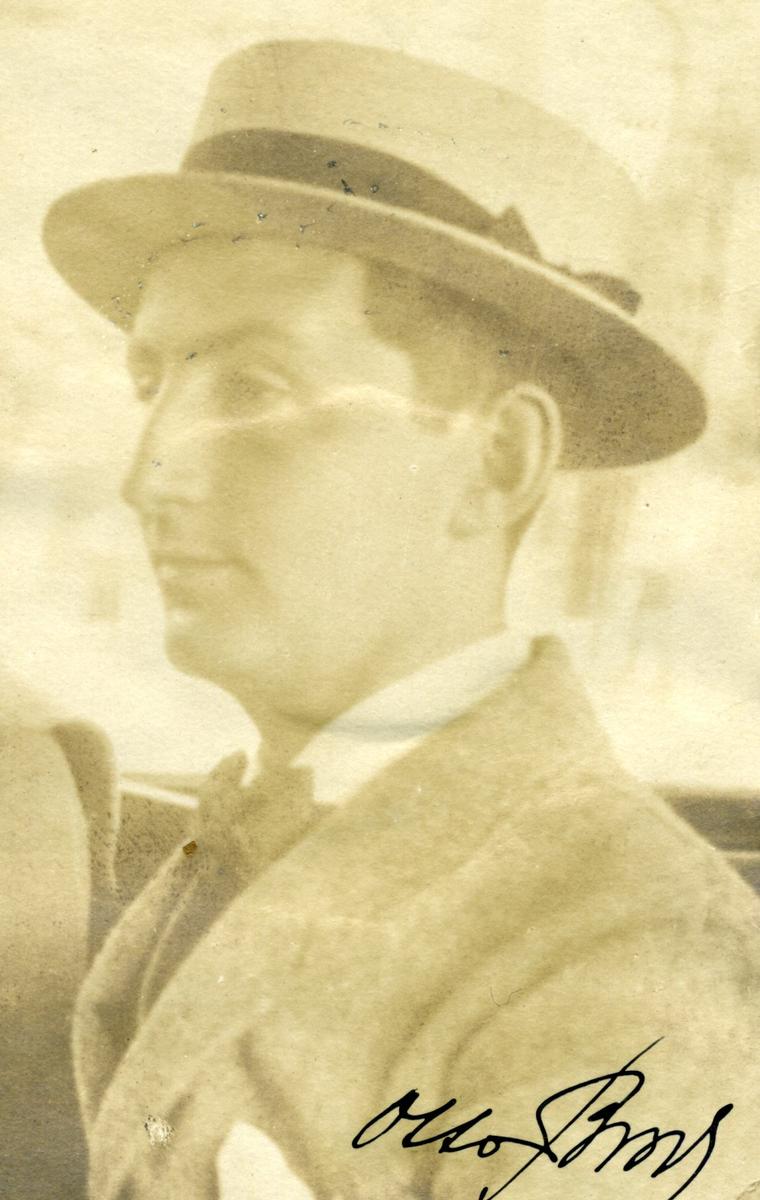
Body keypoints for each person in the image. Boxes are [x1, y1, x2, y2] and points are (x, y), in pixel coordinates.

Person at [42, 39, 760, 1200]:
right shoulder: (217, 858)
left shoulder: (637, 962)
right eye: (152, 384)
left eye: (253, 389)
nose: (148, 476)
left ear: (497, 459)